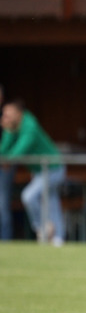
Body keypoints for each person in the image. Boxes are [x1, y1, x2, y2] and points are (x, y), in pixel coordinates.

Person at [0, 99, 65, 246]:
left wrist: (7, 161)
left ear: (19, 114)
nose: (4, 119)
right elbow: (4, 151)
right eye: (4, 115)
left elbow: (19, 152)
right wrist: (7, 132)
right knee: (51, 201)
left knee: (28, 196)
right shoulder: (13, 127)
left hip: (53, 168)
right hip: (39, 171)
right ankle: (58, 238)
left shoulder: (30, 126)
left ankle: (42, 228)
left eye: (8, 115)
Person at [0, 83, 13, 241]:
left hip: (4, 166)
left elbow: (7, 145)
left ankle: (5, 241)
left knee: (2, 205)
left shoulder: (7, 115)